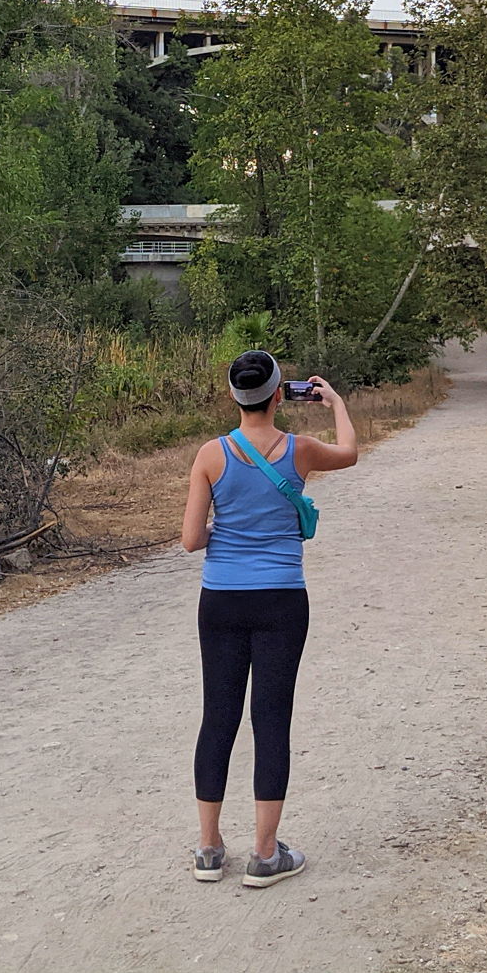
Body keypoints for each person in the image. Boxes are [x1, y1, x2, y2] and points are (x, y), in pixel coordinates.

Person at [179, 349, 358, 887]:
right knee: (271, 718)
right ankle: (264, 853)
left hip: (222, 599)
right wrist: (336, 403)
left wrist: (227, 530)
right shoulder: (301, 450)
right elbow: (349, 453)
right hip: (281, 598)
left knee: (219, 716)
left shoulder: (211, 454)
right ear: (280, 394)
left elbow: (191, 540)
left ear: (234, 396)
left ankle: (209, 849)